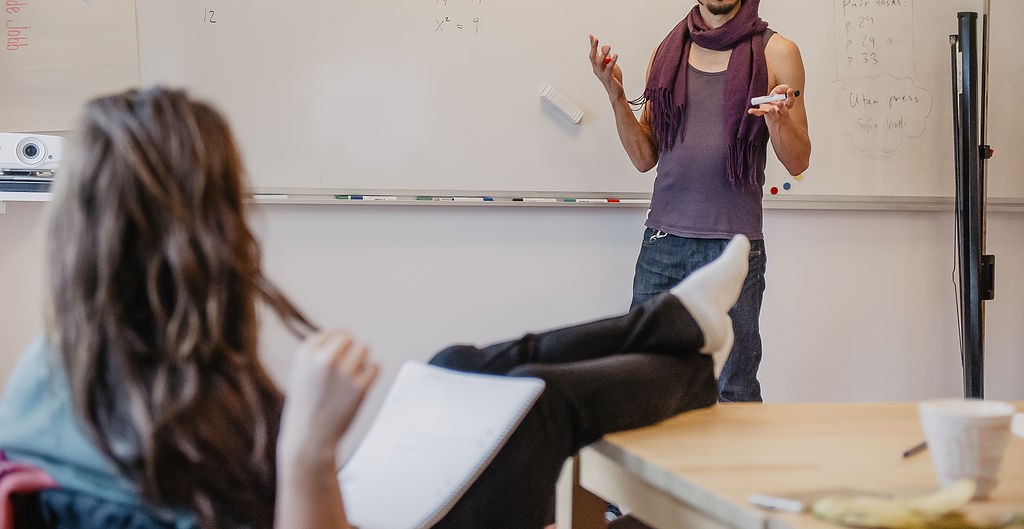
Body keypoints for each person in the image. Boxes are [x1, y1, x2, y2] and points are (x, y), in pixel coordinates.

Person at [0, 87, 754, 529]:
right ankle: (692, 364)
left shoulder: (57, 369)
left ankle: (681, 328)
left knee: (454, 366)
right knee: (538, 405)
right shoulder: (178, 412)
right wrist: (308, 449)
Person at [589, 0, 811, 403]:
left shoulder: (778, 52)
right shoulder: (668, 53)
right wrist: (614, 93)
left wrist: (777, 121)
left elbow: (799, 160)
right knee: (640, 380)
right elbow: (644, 158)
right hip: (663, 242)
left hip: (735, 246)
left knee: (734, 386)